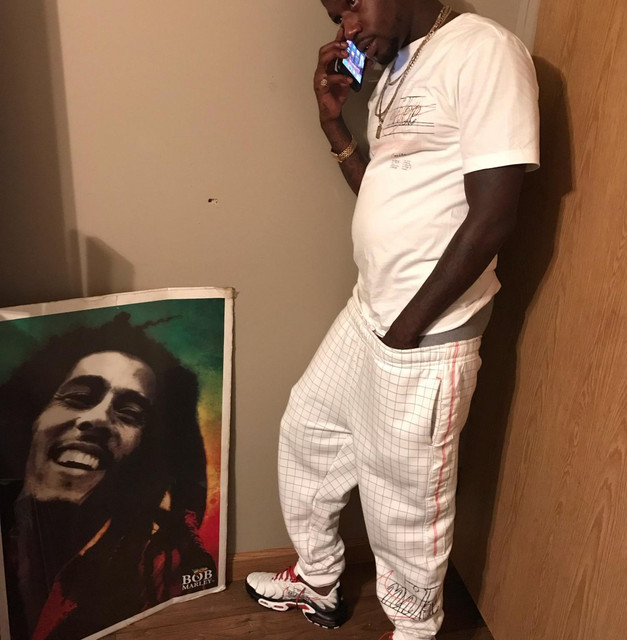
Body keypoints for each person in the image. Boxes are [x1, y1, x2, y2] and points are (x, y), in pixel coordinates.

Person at [246, 1, 539, 638]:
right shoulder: (397, 67)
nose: (347, 27)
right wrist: (334, 124)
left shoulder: (484, 51)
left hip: (425, 333)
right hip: (370, 311)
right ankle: (318, 580)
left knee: (401, 501)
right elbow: (381, 190)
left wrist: (406, 332)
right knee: (309, 432)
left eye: (353, 4)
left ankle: (413, 630)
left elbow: (494, 216)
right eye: (337, 15)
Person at [0, 313, 217, 640]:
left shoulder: (164, 559)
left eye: (129, 414)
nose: (98, 419)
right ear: (33, 417)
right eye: (78, 398)